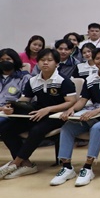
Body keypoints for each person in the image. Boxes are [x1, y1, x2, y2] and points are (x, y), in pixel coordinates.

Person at [51, 47, 100, 187]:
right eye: (97, 58)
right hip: (92, 114)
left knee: (97, 128)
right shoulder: (90, 79)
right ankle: (67, 167)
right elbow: (83, 100)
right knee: (67, 127)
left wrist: (96, 112)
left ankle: (88, 167)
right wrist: (71, 109)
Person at [0, 48, 77, 180]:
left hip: (57, 116)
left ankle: (15, 163)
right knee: (6, 128)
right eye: (42, 60)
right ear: (38, 62)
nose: (45, 63)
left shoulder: (64, 80)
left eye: (49, 60)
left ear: (56, 63)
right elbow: (24, 100)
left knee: (36, 130)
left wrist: (48, 109)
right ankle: (26, 164)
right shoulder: (33, 80)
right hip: (38, 113)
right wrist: (11, 107)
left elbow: (71, 102)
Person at [0, 49, 32, 130]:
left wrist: (8, 108)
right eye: (2, 60)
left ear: (15, 60)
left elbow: (24, 100)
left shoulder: (24, 78)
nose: (5, 62)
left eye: (8, 59)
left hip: (10, 113)